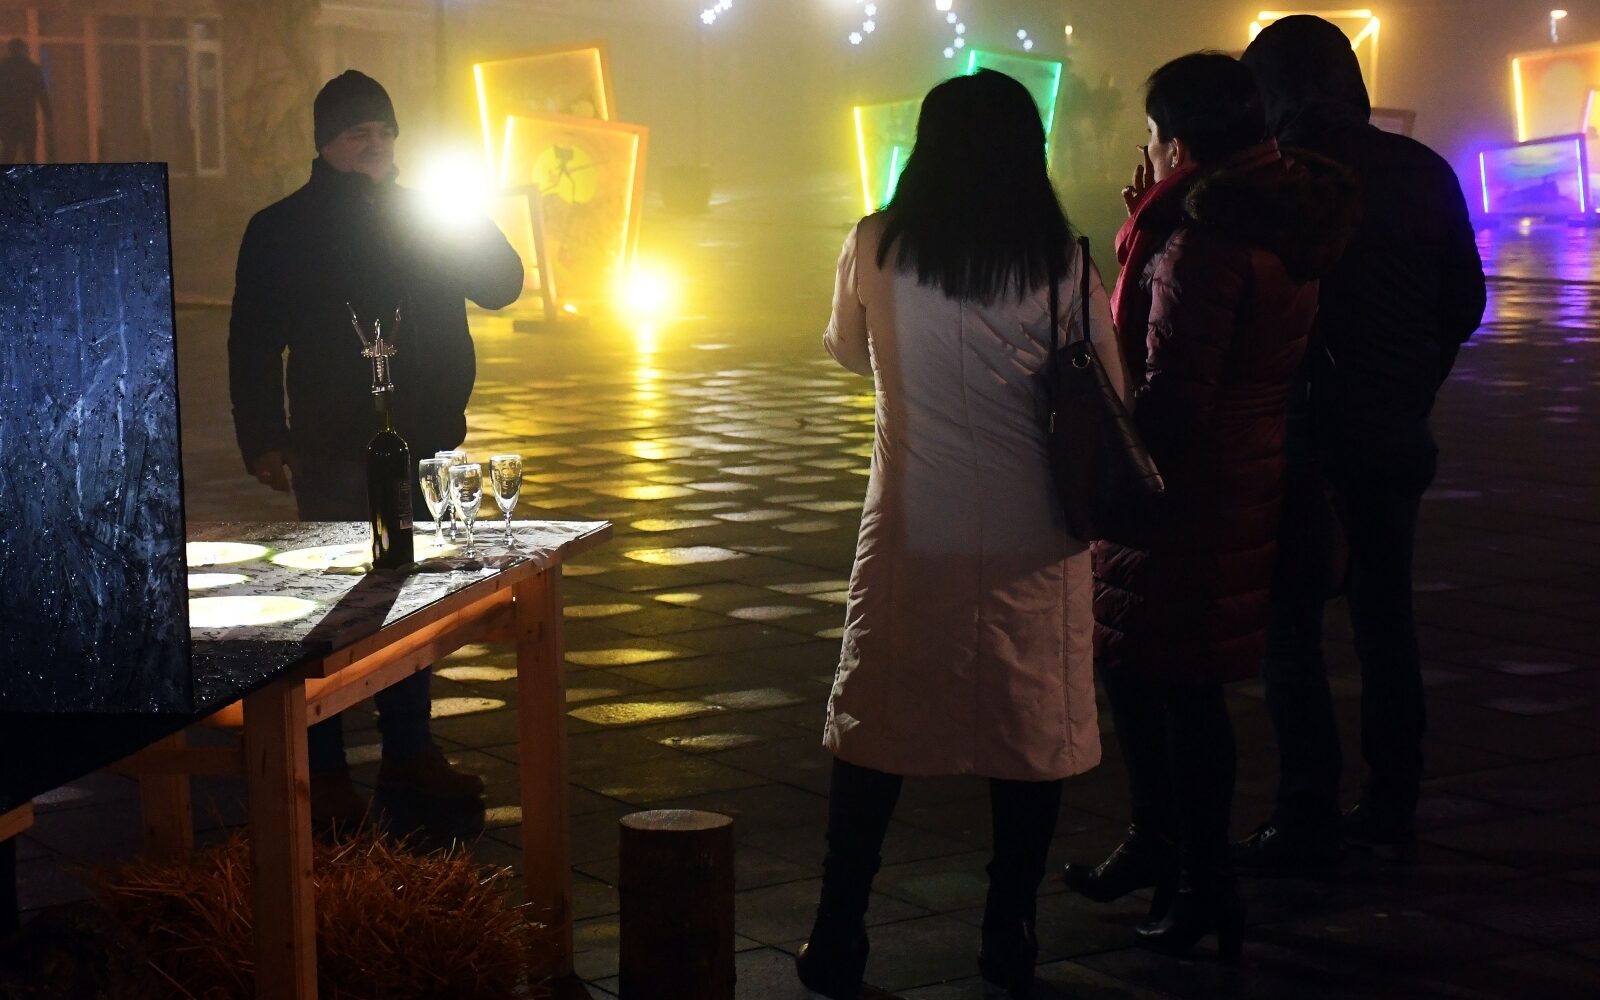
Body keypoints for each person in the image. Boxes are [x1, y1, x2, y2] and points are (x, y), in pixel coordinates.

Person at [798, 70, 1125, 1000]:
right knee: (1030, 727)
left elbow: (846, 350)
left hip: (913, 524)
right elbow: (1112, 388)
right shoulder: (1060, 259)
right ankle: (1008, 929)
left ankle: (839, 930)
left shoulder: (877, 243)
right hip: (1037, 529)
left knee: (879, 717)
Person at [1061, 52, 1355, 960]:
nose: (1146, 150)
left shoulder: (1204, 242)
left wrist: (1102, 430)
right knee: (1157, 674)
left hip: (1185, 492)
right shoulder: (1278, 213)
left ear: (1181, 144)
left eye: (1153, 136)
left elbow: (1176, 397)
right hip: (1246, 470)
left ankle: (1200, 882)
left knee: (1177, 688)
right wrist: (1150, 218)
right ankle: (1170, 853)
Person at [228, 70, 523, 825]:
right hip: (331, 443)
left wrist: (463, 217)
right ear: (326, 144)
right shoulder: (283, 227)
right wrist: (263, 436)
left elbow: (501, 284)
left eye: (384, 132)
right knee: (334, 599)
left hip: (418, 435)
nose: (375, 145)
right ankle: (322, 765)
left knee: (406, 592)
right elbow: (253, 341)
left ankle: (410, 749)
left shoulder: (424, 214)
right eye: (357, 133)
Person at [1235, 16, 1487, 870]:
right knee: (1386, 617)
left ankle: (1305, 803)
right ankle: (1392, 797)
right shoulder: (1423, 169)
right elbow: (1464, 303)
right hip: (1391, 428)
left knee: (1290, 623)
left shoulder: (1275, 181)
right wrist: (1414, 380)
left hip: (1300, 431)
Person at [0, 39, 51, 163]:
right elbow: (42, 94)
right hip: (27, 118)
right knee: (29, 154)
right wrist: (49, 115)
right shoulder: (32, 69)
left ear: (10, 50)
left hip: (8, 119)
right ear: (24, 50)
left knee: (8, 154)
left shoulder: (3, 69)